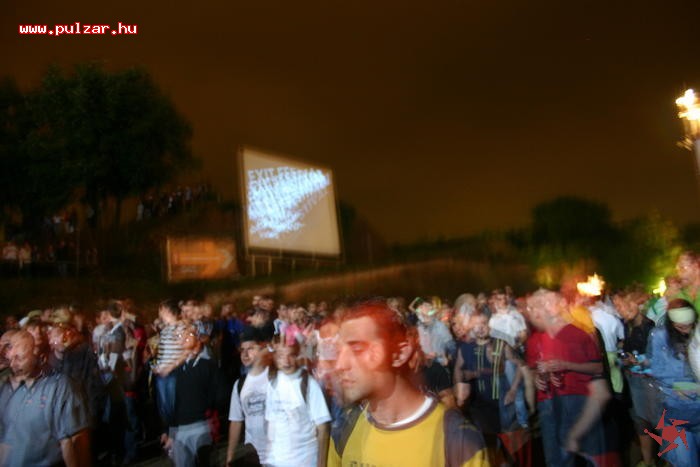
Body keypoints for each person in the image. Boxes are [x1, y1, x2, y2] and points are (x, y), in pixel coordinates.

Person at [328, 300, 489, 466]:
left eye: (357, 349)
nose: (340, 365)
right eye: (338, 351)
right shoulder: (344, 429)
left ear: (399, 354)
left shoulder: (455, 439)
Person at [525, 289, 618, 466]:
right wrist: (538, 377)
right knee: (556, 460)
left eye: (535, 307)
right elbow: (532, 369)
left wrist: (566, 365)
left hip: (580, 402)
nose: (531, 313)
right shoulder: (534, 340)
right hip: (548, 403)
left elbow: (598, 369)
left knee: (590, 457)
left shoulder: (579, 334)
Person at [0, 331, 90, 466]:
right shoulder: (8, 388)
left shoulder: (60, 387)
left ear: (41, 358)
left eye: (19, 359)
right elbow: (6, 440)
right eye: (11, 359)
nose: (13, 365)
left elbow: (74, 441)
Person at [162, 324, 225, 467]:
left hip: (202, 425)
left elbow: (220, 394)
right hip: (180, 429)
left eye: (189, 335)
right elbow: (170, 402)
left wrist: (209, 413)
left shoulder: (208, 366)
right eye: (180, 336)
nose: (183, 338)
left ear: (199, 339)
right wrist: (168, 430)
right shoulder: (175, 370)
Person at [647, 298, 700, 466]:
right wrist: (681, 386)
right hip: (675, 410)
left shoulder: (697, 333)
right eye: (681, 327)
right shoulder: (659, 336)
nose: (686, 330)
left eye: (689, 325)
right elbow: (657, 369)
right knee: (685, 462)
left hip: (698, 408)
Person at [264, 340, 331, 467]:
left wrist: (321, 464)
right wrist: (268, 457)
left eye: (291, 355)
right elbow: (271, 423)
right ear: (275, 358)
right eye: (281, 356)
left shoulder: (309, 384)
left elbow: (323, 427)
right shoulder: (272, 384)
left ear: (297, 356)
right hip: (277, 462)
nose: (287, 361)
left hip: (304, 461)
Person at [226, 327, 272, 466]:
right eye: (242, 350)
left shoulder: (274, 377)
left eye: (251, 348)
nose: (245, 354)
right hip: (253, 456)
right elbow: (236, 421)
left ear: (262, 348)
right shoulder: (239, 384)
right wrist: (230, 457)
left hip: (277, 453)